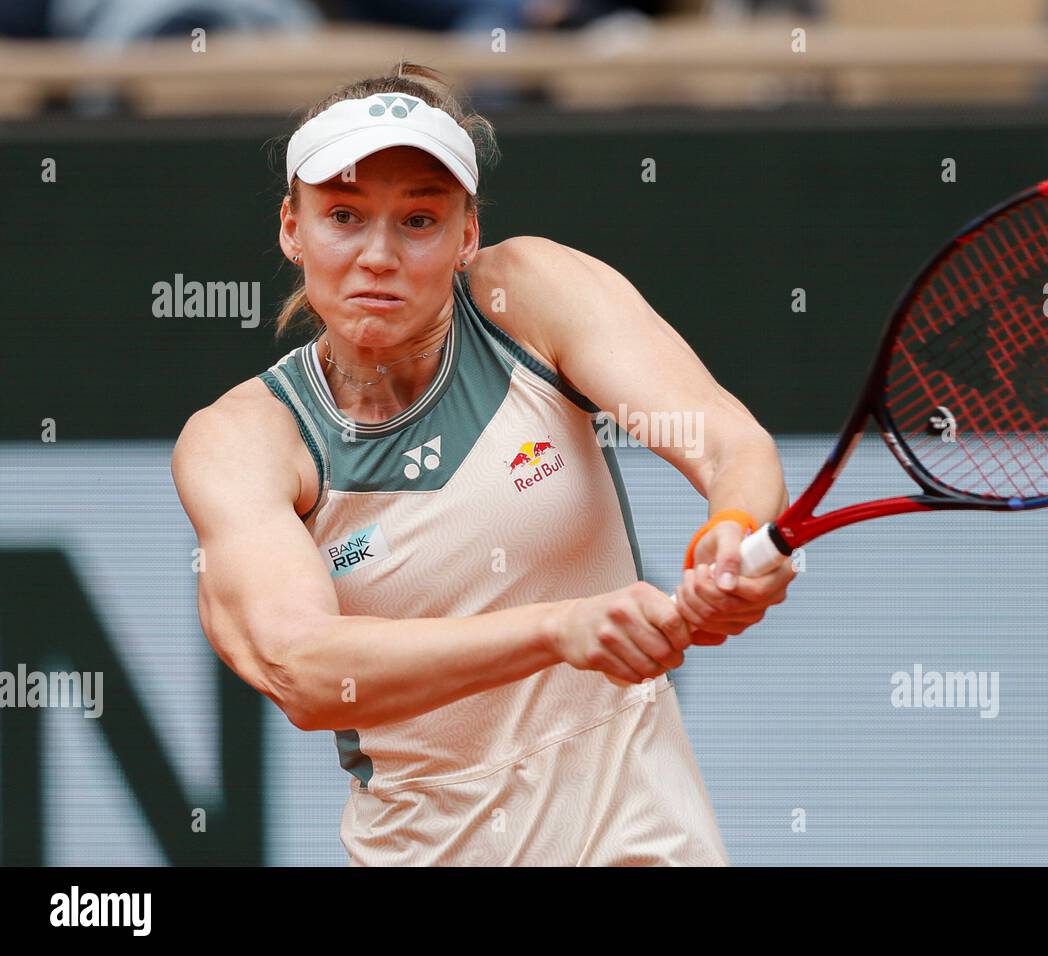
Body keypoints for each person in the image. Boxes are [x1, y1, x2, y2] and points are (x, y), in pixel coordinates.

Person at [171, 62, 795, 866]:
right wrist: (559, 629)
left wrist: (735, 530)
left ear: (468, 234)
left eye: (420, 220)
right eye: (344, 215)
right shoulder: (244, 439)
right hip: (427, 844)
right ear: (293, 228)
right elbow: (307, 671)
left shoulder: (527, 295)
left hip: (639, 822)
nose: (378, 255)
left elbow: (729, 441)